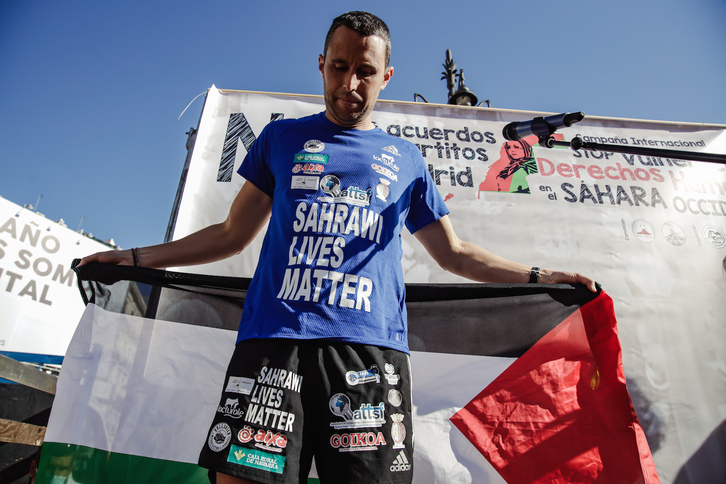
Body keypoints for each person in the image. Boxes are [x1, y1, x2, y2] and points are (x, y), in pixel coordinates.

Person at [80, 11, 596, 484]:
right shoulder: (280, 141)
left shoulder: (407, 160)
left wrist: (538, 276)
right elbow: (229, 235)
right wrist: (132, 259)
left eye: (365, 72)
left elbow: (454, 254)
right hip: (273, 341)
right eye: (340, 67)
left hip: (368, 353)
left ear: (386, 76)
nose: (349, 85)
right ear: (322, 64)